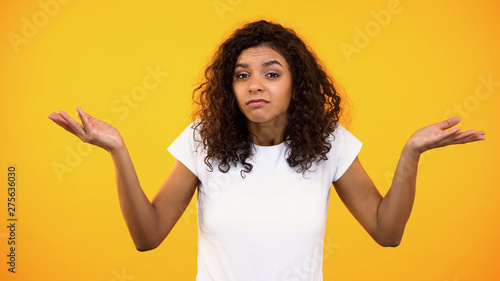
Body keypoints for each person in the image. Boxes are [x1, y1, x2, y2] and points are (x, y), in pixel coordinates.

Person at [48, 20, 485, 281]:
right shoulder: (205, 139)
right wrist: (118, 151)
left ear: (297, 84)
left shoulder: (328, 142)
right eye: (242, 75)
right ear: (231, 87)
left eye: (271, 73)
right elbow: (148, 237)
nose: (255, 84)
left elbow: (387, 233)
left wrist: (410, 154)